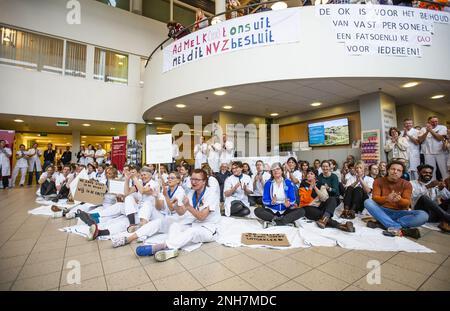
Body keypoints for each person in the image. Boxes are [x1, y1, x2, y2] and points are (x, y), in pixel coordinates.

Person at [134, 169, 221, 262]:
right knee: (175, 225)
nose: (193, 182)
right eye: (192, 179)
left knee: (191, 231)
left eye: (197, 180)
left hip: (208, 228)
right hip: (194, 223)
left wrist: (188, 206)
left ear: (204, 181)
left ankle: (160, 247)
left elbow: (202, 217)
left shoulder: (211, 194)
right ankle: (172, 250)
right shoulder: (191, 193)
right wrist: (176, 206)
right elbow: (181, 212)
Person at [111, 171, 187, 248]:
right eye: (168, 178)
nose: (169, 179)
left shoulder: (180, 191)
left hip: (175, 219)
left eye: (172, 178)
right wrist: (156, 197)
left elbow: (172, 209)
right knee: (147, 204)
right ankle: (139, 228)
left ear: (178, 180)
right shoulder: (166, 189)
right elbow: (159, 207)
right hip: (158, 214)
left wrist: (165, 196)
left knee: (154, 222)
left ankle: (130, 238)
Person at [364, 160, 428, 239]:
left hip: (400, 213)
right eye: (393, 169)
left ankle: (384, 224)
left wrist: (399, 200)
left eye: (399, 170)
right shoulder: (378, 181)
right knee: (368, 202)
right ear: (388, 170)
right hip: (382, 211)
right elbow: (375, 198)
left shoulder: (407, 184)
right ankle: (397, 227)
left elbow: (407, 203)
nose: (395, 172)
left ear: (402, 173)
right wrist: (387, 198)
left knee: (423, 215)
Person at [255, 162, 303, 228]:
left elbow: (293, 199)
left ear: (282, 170)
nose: (276, 171)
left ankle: (277, 221)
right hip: (272, 210)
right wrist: (271, 202)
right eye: (273, 170)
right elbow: (264, 200)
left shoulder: (288, 182)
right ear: (271, 172)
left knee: (301, 211)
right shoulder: (268, 183)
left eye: (278, 169)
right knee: (257, 210)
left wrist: (289, 203)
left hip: (285, 209)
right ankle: (281, 220)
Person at [411, 164, 450, 233]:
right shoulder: (411, 183)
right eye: (425, 172)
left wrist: (442, 189)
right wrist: (427, 186)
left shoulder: (434, 184)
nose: (428, 174)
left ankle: (445, 222)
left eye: (430, 173)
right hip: (421, 213)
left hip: (434, 215)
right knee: (424, 198)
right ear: (418, 173)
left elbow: (447, 197)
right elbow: (412, 195)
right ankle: (447, 218)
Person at [418, 116, 449, 180]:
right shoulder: (423, 129)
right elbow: (420, 140)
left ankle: (446, 186)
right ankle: (432, 186)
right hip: (428, 153)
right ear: (428, 122)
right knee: (430, 170)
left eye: (436, 121)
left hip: (440, 152)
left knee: (444, 170)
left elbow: (440, 138)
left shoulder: (442, 127)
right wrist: (427, 131)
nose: (434, 123)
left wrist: (431, 130)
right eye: (432, 122)